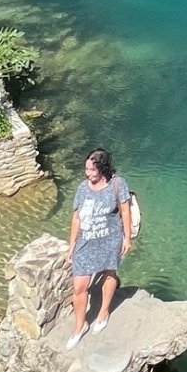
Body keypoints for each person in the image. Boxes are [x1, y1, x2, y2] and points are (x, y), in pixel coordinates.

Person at [65, 148, 133, 347]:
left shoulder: (117, 184)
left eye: (92, 170)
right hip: (86, 242)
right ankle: (79, 325)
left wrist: (127, 238)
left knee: (109, 274)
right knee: (79, 286)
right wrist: (72, 246)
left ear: (102, 169)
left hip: (109, 239)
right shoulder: (82, 189)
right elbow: (76, 218)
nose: (87, 173)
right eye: (86, 169)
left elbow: (126, 211)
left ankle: (103, 312)